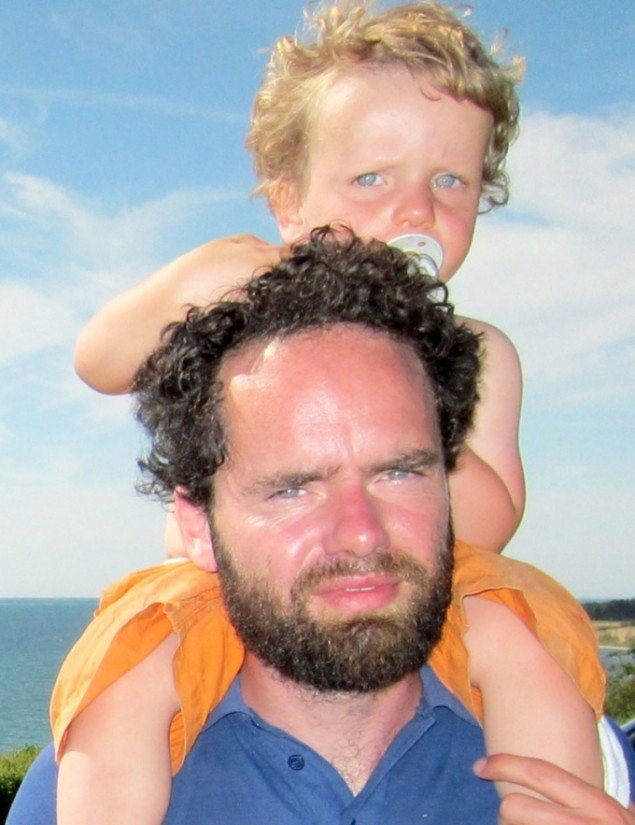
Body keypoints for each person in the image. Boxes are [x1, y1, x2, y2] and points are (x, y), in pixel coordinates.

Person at [9, 231, 634, 824]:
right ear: (196, 523)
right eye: (293, 488)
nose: (361, 533)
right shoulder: (85, 782)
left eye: (399, 473)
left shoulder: (585, 775)